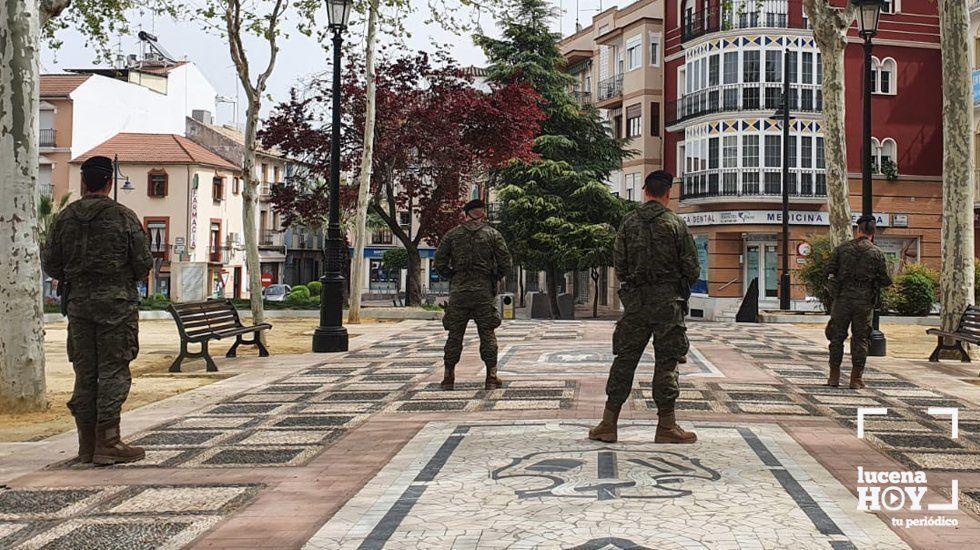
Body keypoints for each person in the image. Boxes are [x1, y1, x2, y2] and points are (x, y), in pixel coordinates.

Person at [41, 155, 153, 465]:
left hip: (78, 305)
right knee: (114, 369)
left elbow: (50, 263)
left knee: (85, 372)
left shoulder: (65, 218)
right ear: (109, 183)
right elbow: (143, 264)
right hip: (116, 305)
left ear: (82, 182)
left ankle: (86, 445)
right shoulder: (123, 217)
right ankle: (109, 441)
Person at [589, 170, 700, 445]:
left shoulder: (628, 223)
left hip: (636, 303)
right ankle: (666, 425)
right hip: (668, 303)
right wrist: (677, 289)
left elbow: (620, 264)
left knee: (625, 361)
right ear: (668, 193)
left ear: (644, 191)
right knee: (666, 363)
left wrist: (633, 289)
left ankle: (608, 423)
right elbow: (692, 268)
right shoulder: (676, 224)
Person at [434, 199, 512, 391]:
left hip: (459, 292)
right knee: (487, 334)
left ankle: (448, 377)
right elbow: (505, 262)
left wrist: (453, 276)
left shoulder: (452, 235)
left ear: (466, 213)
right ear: (482, 213)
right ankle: (491, 377)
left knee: (454, 335)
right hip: (483, 292)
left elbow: (439, 263)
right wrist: (494, 276)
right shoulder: (493, 234)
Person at [824, 215, 893, 389]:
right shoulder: (877, 253)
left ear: (858, 230)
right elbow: (886, 279)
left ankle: (834, 376)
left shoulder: (842, 249)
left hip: (842, 300)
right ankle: (856, 378)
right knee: (861, 338)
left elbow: (828, 270)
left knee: (837, 337)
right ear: (873, 232)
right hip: (864, 302)